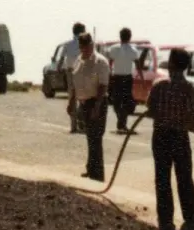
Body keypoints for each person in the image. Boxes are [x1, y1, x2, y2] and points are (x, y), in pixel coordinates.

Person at [145, 47, 194, 230]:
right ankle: (191, 217)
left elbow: (150, 110)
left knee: (162, 179)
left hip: (161, 136)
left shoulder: (158, 85)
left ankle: (166, 222)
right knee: (185, 178)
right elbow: (192, 117)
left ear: (171, 63)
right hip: (180, 137)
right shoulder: (188, 89)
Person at [68, 33, 111, 181]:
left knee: (96, 138)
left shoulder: (100, 61)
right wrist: (71, 102)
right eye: (82, 46)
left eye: (87, 46)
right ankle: (91, 169)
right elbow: (75, 82)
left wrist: (97, 107)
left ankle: (97, 174)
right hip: (84, 102)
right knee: (90, 138)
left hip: (96, 102)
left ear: (92, 45)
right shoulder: (79, 60)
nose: (85, 49)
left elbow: (103, 86)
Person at [107, 28, 140, 133]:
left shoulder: (113, 48)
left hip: (117, 77)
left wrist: (108, 76)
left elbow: (110, 64)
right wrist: (142, 79)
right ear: (130, 37)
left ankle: (121, 123)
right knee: (124, 101)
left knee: (117, 101)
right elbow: (138, 64)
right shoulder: (133, 50)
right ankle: (122, 122)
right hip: (127, 78)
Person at [60, 23, 87, 133]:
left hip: (70, 71)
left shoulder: (67, 44)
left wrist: (58, 68)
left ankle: (73, 126)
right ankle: (83, 124)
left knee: (72, 98)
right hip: (82, 70)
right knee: (84, 97)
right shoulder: (85, 44)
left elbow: (62, 58)